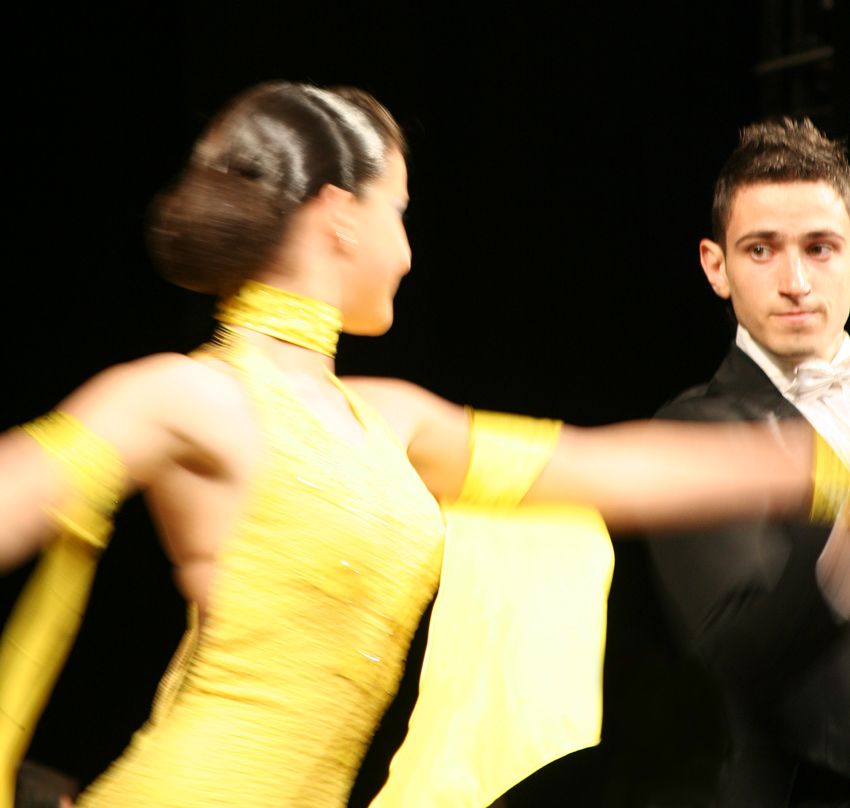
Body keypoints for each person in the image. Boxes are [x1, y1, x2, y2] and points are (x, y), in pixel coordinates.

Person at [0, 85, 845, 808]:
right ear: (341, 217)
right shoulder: (190, 396)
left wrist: (824, 471)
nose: (407, 253)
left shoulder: (389, 420)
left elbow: (609, 471)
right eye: (399, 211)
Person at [647, 119, 850, 806]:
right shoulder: (691, 433)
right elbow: (735, 663)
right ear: (716, 266)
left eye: (820, 248)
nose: (795, 281)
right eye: (762, 250)